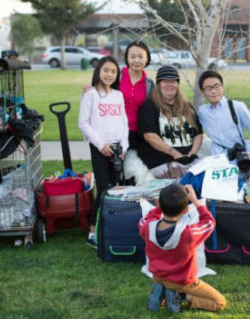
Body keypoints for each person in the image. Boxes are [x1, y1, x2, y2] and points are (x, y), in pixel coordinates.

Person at [138, 183, 226, 313]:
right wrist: (196, 201)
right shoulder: (188, 234)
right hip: (181, 282)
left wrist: (158, 209)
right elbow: (209, 222)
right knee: (219, 302)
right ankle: (183, 296)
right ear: (186, 210)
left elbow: (147, 218)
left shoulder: (146, 226)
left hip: (157, 276)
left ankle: (163, 289)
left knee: (165, 281)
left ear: (159, 204)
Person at [78, 56, 128, 249]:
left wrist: (123, 145)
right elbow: (83, 123)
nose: (109, 74)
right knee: (104, 187)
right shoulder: (90, 94)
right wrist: (101, 144)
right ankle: (92, 231)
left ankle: (112, 226)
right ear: (98, 71)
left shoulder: (118, 95)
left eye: (113, 71)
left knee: (117, 187)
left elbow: (124, 123)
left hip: (117, 147)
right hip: (100, 148)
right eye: (105, 70)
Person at [84, 40, 154, 149]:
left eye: (140, 57)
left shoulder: (149, 84)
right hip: (112, 133)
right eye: (132, 56)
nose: (136, 60)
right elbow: (99, 96)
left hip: (137, 135)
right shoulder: (117, 75)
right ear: (127, 58)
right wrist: (89, 90)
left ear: (147, 58)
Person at [137, 65, 203, 179]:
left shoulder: (187, 106)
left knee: (208, 177)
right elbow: (149, 136)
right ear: (158, 84)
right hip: (163, 162)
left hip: (188, 160)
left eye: (173, 81)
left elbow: (198, 134)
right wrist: (175, 153)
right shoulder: (150, 106)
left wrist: (193, 151)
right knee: (185, 183)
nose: (169, 84)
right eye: (165, 81)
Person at [197, 70, 250, 179]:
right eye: (208, 88)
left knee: (239, 191)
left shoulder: (237, 106)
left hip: (238, 159)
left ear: (222, 87)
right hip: (216, 159)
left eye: (217, 86)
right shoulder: (203, 112)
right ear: (203, 92)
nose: (213, 91)